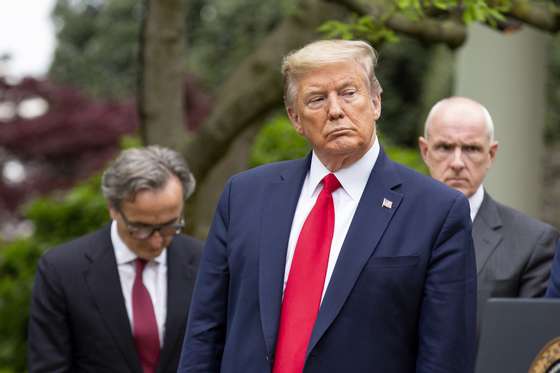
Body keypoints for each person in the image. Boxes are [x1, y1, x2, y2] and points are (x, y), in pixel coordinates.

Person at [178, 39, 476, 373]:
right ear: (295, 118)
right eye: (317, 99)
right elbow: (205, 329)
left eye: (349, 93)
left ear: (376, 102)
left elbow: (445, 355)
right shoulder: (244, 196)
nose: (335, 110)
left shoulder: (436, 211)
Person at [28, 146, 203, 373]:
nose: (156, 241)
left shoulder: (205, 262)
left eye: (171, 225)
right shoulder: (61, 270)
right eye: (141, 228)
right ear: (113, 208)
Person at [419, 96, 559, 327]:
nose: (457, 162)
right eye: (445, 147)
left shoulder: (533, 242)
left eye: (471, 149)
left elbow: (529, 343)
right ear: (425, 151)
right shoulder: (389, 224)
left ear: (491, 155)